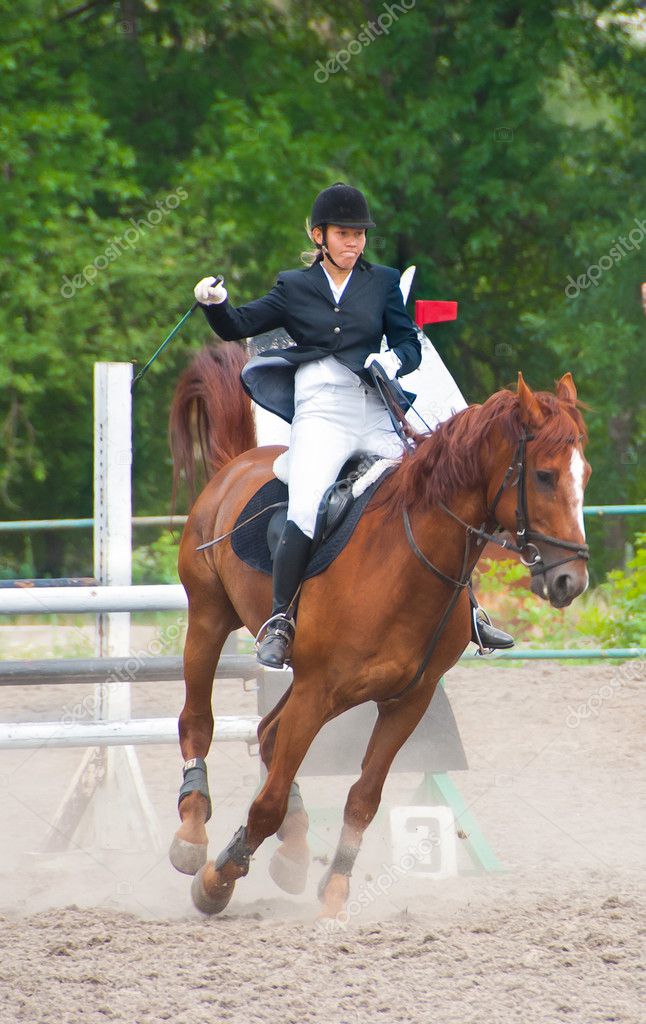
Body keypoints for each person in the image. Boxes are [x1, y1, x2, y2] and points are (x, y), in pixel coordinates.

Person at [194, 182, 513, 667]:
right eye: (344, 233)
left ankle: (468, 609)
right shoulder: (294, 287)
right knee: (305, 502)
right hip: (322, 414)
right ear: (319, 235)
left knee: (431, 493)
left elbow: (408, 343)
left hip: (374, 407)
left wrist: (393, 359)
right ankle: (280, 619)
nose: (354, 242)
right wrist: (214, 303)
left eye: (360, 234)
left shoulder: (382, 282)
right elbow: (239, 325)